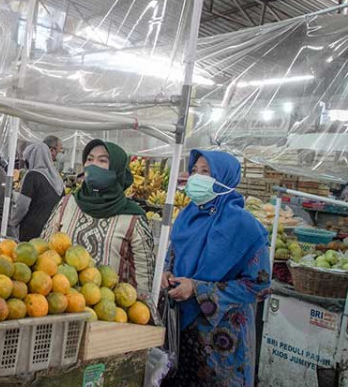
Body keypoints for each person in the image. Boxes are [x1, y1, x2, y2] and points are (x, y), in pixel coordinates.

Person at [161, 150, 270, 387]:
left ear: (224, 178)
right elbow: (172, 256)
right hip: (180, 330)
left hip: (221, 342)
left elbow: (259, 286)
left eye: (205, 172)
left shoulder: (245, 226)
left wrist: (199, 289)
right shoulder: (186, 217)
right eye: (194, 171)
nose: (196, 178)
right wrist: (166, 273)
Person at [40, 139, 155, 292]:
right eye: (89, 159)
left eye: (102, 160)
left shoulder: (133, 218)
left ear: (117, 169)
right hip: (62, 302)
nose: (93, 165)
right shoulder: (67, 204)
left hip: (110, 310)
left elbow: (144, 278)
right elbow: (44, 248)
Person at [11, 142, 64, 241]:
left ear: (32, 158)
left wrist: (12, 223)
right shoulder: (58, 179)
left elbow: (22, 206)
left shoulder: (32, 176)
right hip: (50, 231)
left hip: (31, 231)